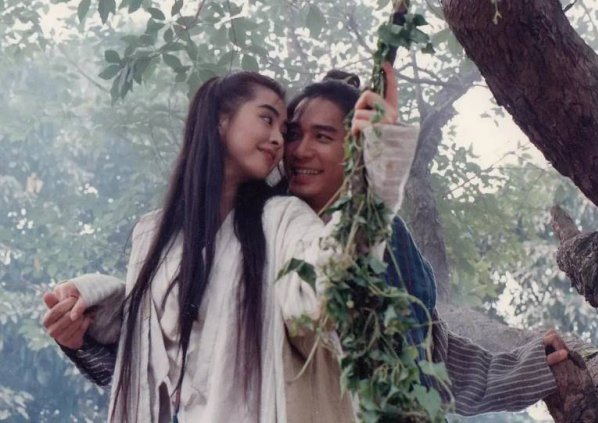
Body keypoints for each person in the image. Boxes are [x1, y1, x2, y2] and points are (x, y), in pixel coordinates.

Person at [45, 66, 570, 420]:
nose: (290, 148)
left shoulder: (301, 225)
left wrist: (520, 367)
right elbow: (172, 344)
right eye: (288, 131)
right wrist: (91, 311)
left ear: (355, 150)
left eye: (321, 136)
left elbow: (419, 347)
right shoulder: (190, 231)